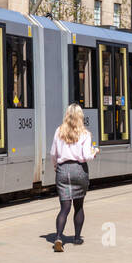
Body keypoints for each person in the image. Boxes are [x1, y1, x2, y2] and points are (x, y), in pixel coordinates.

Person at [49, 104, 99, 252]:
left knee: (64, 208)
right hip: (79, 171)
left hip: (63, 171)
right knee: (79, 206)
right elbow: (86, 156)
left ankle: (58, 237)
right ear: (80, 117)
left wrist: (55, 167)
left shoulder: (59, 131)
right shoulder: (85, 134)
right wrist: (95, 152)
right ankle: (77, 238)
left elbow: (53, 153)